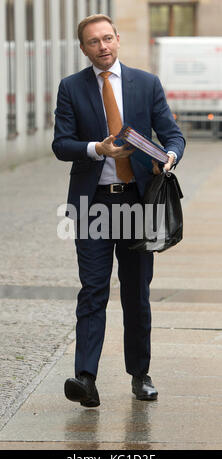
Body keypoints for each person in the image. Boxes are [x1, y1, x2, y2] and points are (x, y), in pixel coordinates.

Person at [52, 14, 185, 407]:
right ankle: (86, 378)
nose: (102, 46)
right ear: (84, 48)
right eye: (94, 42)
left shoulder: (146, 84)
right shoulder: (71, 88)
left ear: (118, 39)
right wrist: (98, 148)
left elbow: (172, 133)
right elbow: (61, 144)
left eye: (107, 38)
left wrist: (170, 156)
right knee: (93, 290)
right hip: (94, 203)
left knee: (136, 293)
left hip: (137, 202)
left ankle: (139, 375)